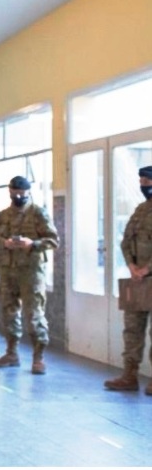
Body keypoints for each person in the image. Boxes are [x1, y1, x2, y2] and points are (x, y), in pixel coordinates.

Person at [0, 176, 59, 375]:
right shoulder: (3, 216)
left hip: (31, 273)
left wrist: (32, 244)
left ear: (28, 192)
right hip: (7, 271)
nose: (18, 196)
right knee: (9, 313)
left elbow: (53, 240)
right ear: (10, 192)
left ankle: (38, 358)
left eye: (22, 193)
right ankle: (11, 353)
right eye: (15, 193)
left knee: (34, 314)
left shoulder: (38, 213)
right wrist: (5, 243)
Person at [105, 165, 152, 395]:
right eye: (142, 181)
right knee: (132, 330)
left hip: (147, 275)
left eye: (147, 181)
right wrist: (132, 266)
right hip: (137, 281)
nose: (144, 185)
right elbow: (125, 241)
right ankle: (129, 375)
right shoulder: (140, 210)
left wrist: (147, 268)